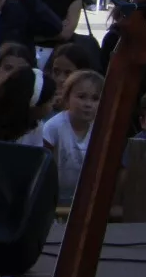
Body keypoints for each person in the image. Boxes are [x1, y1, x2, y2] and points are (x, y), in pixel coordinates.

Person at [42, 70, 102, 205]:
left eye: (95, 98)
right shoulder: (54, 127)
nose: (88, 104)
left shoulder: (101, 129)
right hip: (53, 199)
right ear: (67, 97)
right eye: (81, 97)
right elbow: (43, 168)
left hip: (86, 200)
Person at [0, 66, 53, 146]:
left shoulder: (36, 127)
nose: (52, 104)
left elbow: (37, 159)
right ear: (33, 105)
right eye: (49, 101)